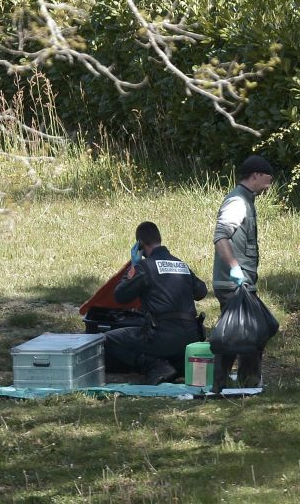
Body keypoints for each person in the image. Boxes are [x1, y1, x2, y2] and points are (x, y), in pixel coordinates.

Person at [105, 221, 208, 385]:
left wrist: (133, 266)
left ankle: (155, 366)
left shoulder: (145, 267)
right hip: (192, 337)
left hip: (162, 336)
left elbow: (120, 295)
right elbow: (201, 291)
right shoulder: (181, 265)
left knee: (109, 339)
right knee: (169, 345)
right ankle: (178, 367)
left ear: (139, 244)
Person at [212, 154, 274, 392]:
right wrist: (235, 268)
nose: (268, 187)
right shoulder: (237, 202)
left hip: (240, 282)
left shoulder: (246, 200)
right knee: (248, 335)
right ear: (256, 175)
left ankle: (227, 382)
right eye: (267, 181)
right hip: (233, 283)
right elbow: (220, 237)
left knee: (237, 334)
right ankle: (246, 383)